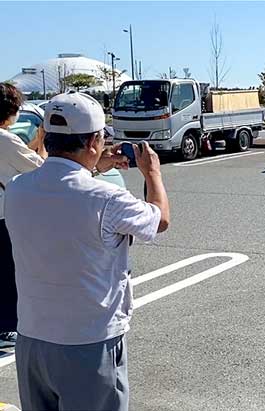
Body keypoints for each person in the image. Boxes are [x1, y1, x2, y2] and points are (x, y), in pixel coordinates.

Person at [5, 91, 170, 411]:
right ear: (94, 142)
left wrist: (92, 168)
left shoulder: (16, 189)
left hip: (32, 340)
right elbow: (159, 219)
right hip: (88, 342)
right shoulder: (107, 198)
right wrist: (153, 173)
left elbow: (62, 193)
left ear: (48, 138)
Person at [0, 83, 46, 348]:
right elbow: (38, 167)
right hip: (5, 215)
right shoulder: (5, 139)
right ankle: (6, 327)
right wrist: (41, 144)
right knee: (8, 270)